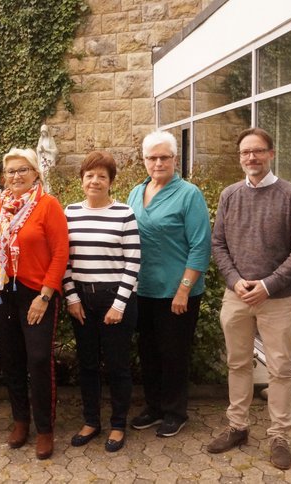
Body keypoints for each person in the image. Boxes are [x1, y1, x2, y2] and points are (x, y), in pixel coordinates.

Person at [208, 127, 291, 470]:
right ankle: (238, 426)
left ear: (271, 153)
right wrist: (236, 281)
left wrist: (268, 285)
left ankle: (280, 435)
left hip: (277, 298)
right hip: (236, 295)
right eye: (245, 153)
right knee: (238, 363)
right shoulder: (230, 195)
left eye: (257, 151)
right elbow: (218, 243)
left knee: (280, 368)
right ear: (240, 158)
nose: (251, 157)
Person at [0, 148, 69, 460]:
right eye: (11, 171)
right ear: (4, 176)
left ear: (35, 173)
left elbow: (60, 253)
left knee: (39, 359)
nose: (16, 176)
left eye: (23, 170)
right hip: (2, 290)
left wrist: (45, 296)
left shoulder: (47, 205)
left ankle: (45, 428)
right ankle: (20, 421)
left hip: (36, 292)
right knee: (11, 359)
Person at [126, 130, 211, 438]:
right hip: (143, 289)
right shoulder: (137, 192)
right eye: (152, 157)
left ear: (175, 159)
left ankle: (175, 411)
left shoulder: (189, 194)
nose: (158, 162)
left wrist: (184, 289)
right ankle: (154, 407)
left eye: (164, 157)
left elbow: (200, 245)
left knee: (174, 354)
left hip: (177, 292)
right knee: (148, 352)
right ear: (144, 160)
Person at [62, 151, 140, 453]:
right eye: (89, 175)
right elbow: (63, 258)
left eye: (102, 176)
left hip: (115, 299)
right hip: (81, 299)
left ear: (110, 181)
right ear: (82, 180)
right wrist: (70, 296)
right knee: (88, 365)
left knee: (118, 366)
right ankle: (91, 421)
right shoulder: (69, 212)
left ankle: (118, 424)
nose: (95, 181)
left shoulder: (124, 213)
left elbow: (133, 261)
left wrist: (119, 305)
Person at [36, 124, 58, 192]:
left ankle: (49, 191)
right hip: (42, 159)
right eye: (42, 132)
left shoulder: (51, 139)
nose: (43, 133)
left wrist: (46, 150)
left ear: (47, 131)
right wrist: (40, 150)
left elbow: (55, 151)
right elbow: (38, 148)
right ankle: (43, 189)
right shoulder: (40, 139)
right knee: (42, 173)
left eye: (45, 131)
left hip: (49, 159)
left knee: (48, 175)